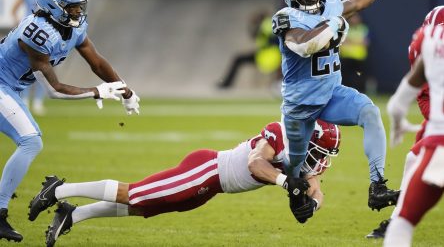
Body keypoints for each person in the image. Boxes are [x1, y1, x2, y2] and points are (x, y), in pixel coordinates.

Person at [27, 120, 340, 247]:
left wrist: (311, 204)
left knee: (146, 209)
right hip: (206, 169)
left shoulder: (307, 159)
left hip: (214, 187)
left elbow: (315, 188)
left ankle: (73, 214)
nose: (322, 158)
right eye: (321, 150)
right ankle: (59, 189)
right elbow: (256, 165)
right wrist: (287, 183)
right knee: (134, 194)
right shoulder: (282, 132)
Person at [0, 0, 141, 242]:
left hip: (11, 88)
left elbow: (96, 62)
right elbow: (53, 90)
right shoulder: (38, 32)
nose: (77, 11)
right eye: (71, 6)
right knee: (31, 141)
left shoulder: (72, 26)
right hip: (1, 84)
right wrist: (96, 91)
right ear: (52, 5)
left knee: (30, 141)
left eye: (79, 5)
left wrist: (126, 90)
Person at [271, 0, 400, 214]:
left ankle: (378, 186)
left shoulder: (331, 4)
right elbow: (305, 46)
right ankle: (296, 195)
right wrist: (333, 24)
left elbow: (358, 1)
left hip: (332, 94)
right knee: (294, 165)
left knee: (369, 112)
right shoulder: (286, 18)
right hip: (300, 104)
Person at [366, 6, 444, 239]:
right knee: (413, 158)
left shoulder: (429, 39)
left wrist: (399, 122)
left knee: (404, 222)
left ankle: (395, 221)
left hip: (439, 141)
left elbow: (405, 99)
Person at [11, 0, 55, 115]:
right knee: (25, 68)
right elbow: (14, 9)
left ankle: (36, 102)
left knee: (42, 69)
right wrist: (19, 26)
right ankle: (24, 101)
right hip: (29, 33)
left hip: (45, 34)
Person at [217, 10, 281, 89]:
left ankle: (226, 84)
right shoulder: (268, 24)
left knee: (238, 59)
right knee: (238, 59)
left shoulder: (267, 24)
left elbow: (271, 38)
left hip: (271, 55)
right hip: (264, 54)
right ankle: (226, 84)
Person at [339, 13, 370, 92]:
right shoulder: (345, 29)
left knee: (358, 78)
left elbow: (366, 42)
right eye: (352, 18)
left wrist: (350, 41)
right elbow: (341, 42)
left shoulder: (363, 28)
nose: (354, 19)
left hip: (359, 59)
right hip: (346, 58)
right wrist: (357, 41)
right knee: (345, 79)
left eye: (356, 18)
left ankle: (360, 93)